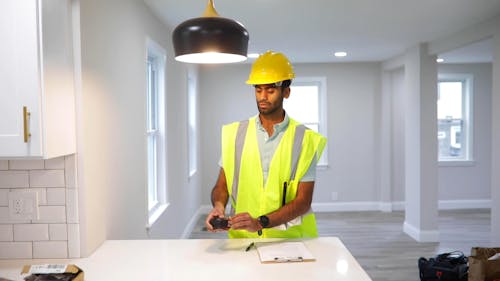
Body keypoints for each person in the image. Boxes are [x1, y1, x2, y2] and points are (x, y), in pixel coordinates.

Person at [205, 51, 327, 238]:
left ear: (286, 92)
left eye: (270, 90)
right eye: (258, 89)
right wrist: (218, 206)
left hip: (289, 242)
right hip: (244, 240)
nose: (263, 96)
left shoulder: (305, 139)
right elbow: (222, 185)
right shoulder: (236, 134)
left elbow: (303, 201)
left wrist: (260, 222)